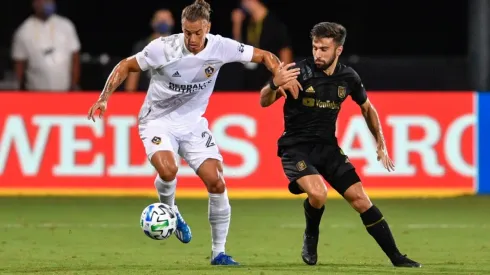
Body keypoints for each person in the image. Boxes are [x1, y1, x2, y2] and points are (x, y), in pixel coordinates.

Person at [87, 0, 299, 266]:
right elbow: (125, 65)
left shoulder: (221, 46)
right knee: (168, 170)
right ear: (182, 28)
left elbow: (266, 55)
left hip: (192, 124)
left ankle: (218, 253)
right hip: (157, 121)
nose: (193, 38)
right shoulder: (163, 48)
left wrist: (280, 75)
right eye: (188, 32)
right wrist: (104, 97)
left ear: (207, 28)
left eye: (198, 33)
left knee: (217, 181)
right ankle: (172, 212)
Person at [259, 22, 422, 268]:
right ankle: (311, 234)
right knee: (318, 193)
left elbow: (367, 108)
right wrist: (273, 84)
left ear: (338, 50)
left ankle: (397, 257)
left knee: (361, 199)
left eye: (324, 49)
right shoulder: (298, 72)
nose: (317, 54)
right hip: (296, 147)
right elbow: (264, 101)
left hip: (328, 148)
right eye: (315, 47)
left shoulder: (348, 77)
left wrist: (381, 142)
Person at [11, 0, 81, 91]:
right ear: (34, 4)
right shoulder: (23, 31)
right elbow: (19, 66)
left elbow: (75, 58)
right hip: (36, 95)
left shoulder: (66, 25)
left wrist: (74, 85)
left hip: (64, 93)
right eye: (43, 1)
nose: (48, 3)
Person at [231, 0, 293, 90]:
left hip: (268, 85)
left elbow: (286, 53)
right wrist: (236, 25)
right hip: (249, 82)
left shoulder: (275, 24)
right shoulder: (247, 22)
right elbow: (237, 48)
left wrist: (282, 82)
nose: (242, 3)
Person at [125, 9, 175, 92]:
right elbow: (133, 73)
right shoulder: (142, 46)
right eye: (159, 19)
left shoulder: (179, 45)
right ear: (153, 23)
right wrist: (129, 96)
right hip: (146, 95)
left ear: (172, 22)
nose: (163, 22)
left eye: (166, 19)